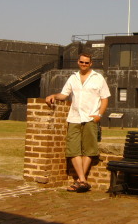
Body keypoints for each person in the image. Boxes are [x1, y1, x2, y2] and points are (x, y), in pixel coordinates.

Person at [45, 53, 110, 193]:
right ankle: (82, 180)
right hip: (74, 117)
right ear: (78, 62)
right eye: (82, 62)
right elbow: (64, 95)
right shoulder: (73, 77)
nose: (84, 64)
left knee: (89, 149)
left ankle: (80, 180)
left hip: (90, 117)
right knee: (73, 149)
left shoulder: (98, 78)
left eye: (87, 63)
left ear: (91, 64)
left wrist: (99, 115)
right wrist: (53, 96)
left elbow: (105, 98)